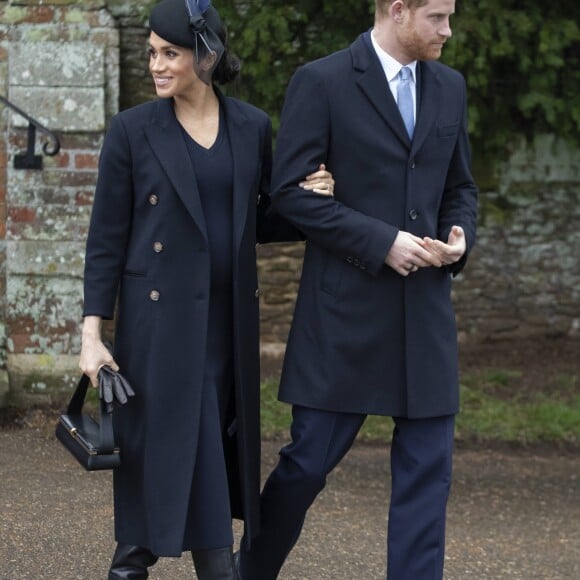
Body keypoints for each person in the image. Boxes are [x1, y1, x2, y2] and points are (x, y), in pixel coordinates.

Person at [78, 1, 334, 579]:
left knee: (199, 459)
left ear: (206, 54)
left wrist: (309, 204)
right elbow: (105, 242)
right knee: (185, 463)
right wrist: (92, 335)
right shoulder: (132, 131)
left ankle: (131, 565)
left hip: (228, 329)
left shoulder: (251, 125)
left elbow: (259, 220)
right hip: (159, 332)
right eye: (151, 53)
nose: (157, 66)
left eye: (170, 53)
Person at [237, 0, 478, 578]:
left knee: (427, 481)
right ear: (398, 11)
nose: (448, 29)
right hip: (342, 320)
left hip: (424, 319)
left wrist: (459, 238)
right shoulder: (320, 82)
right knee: (304, 468)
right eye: (437, 18)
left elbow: (460, 187)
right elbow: (290, 196)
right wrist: (381, 241)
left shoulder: (449, 86)